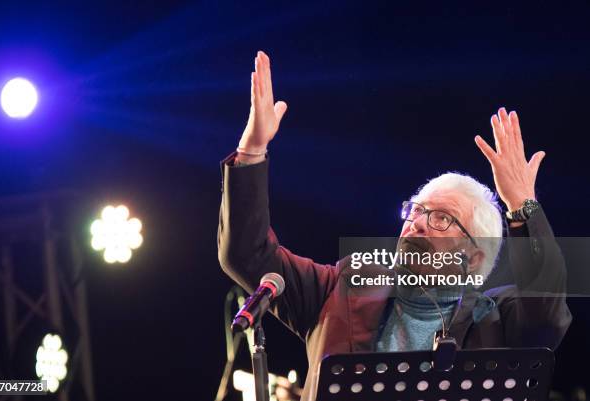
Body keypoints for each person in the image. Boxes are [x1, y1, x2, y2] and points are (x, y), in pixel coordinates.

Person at [217, 50, 571, 401]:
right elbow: (246, 254)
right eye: (415, 211)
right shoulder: (340, 288)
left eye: (441, 218)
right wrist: (251, 152)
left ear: (475, 257)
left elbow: (547, 313)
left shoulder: (497, 320)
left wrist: (523, 206)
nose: (416, 223)